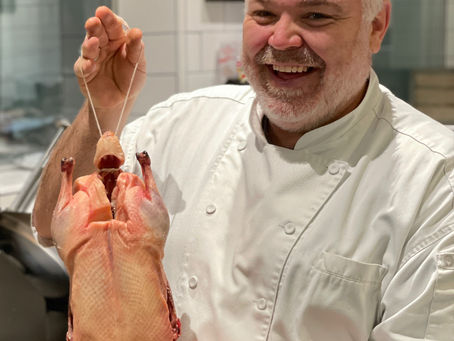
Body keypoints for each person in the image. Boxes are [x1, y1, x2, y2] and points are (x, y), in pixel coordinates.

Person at [33, 0, 454, 340]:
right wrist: (100, 110)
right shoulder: (182, 122)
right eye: (265, 14)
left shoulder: (434, 179)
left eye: (316, 15)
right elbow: (51, 226)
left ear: (377, 24)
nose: (283, 39)